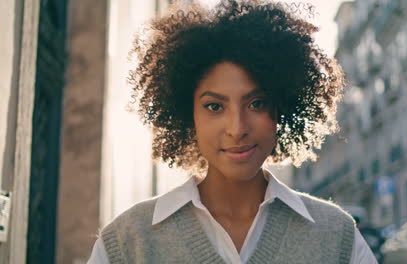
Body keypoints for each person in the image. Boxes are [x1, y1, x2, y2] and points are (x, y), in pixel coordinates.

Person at [88, 0, 378, 263]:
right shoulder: (127, 244)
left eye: (257, 103)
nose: (237, 129)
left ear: (280, 109)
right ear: (189, 116)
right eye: (214, 106)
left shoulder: (337, 237)